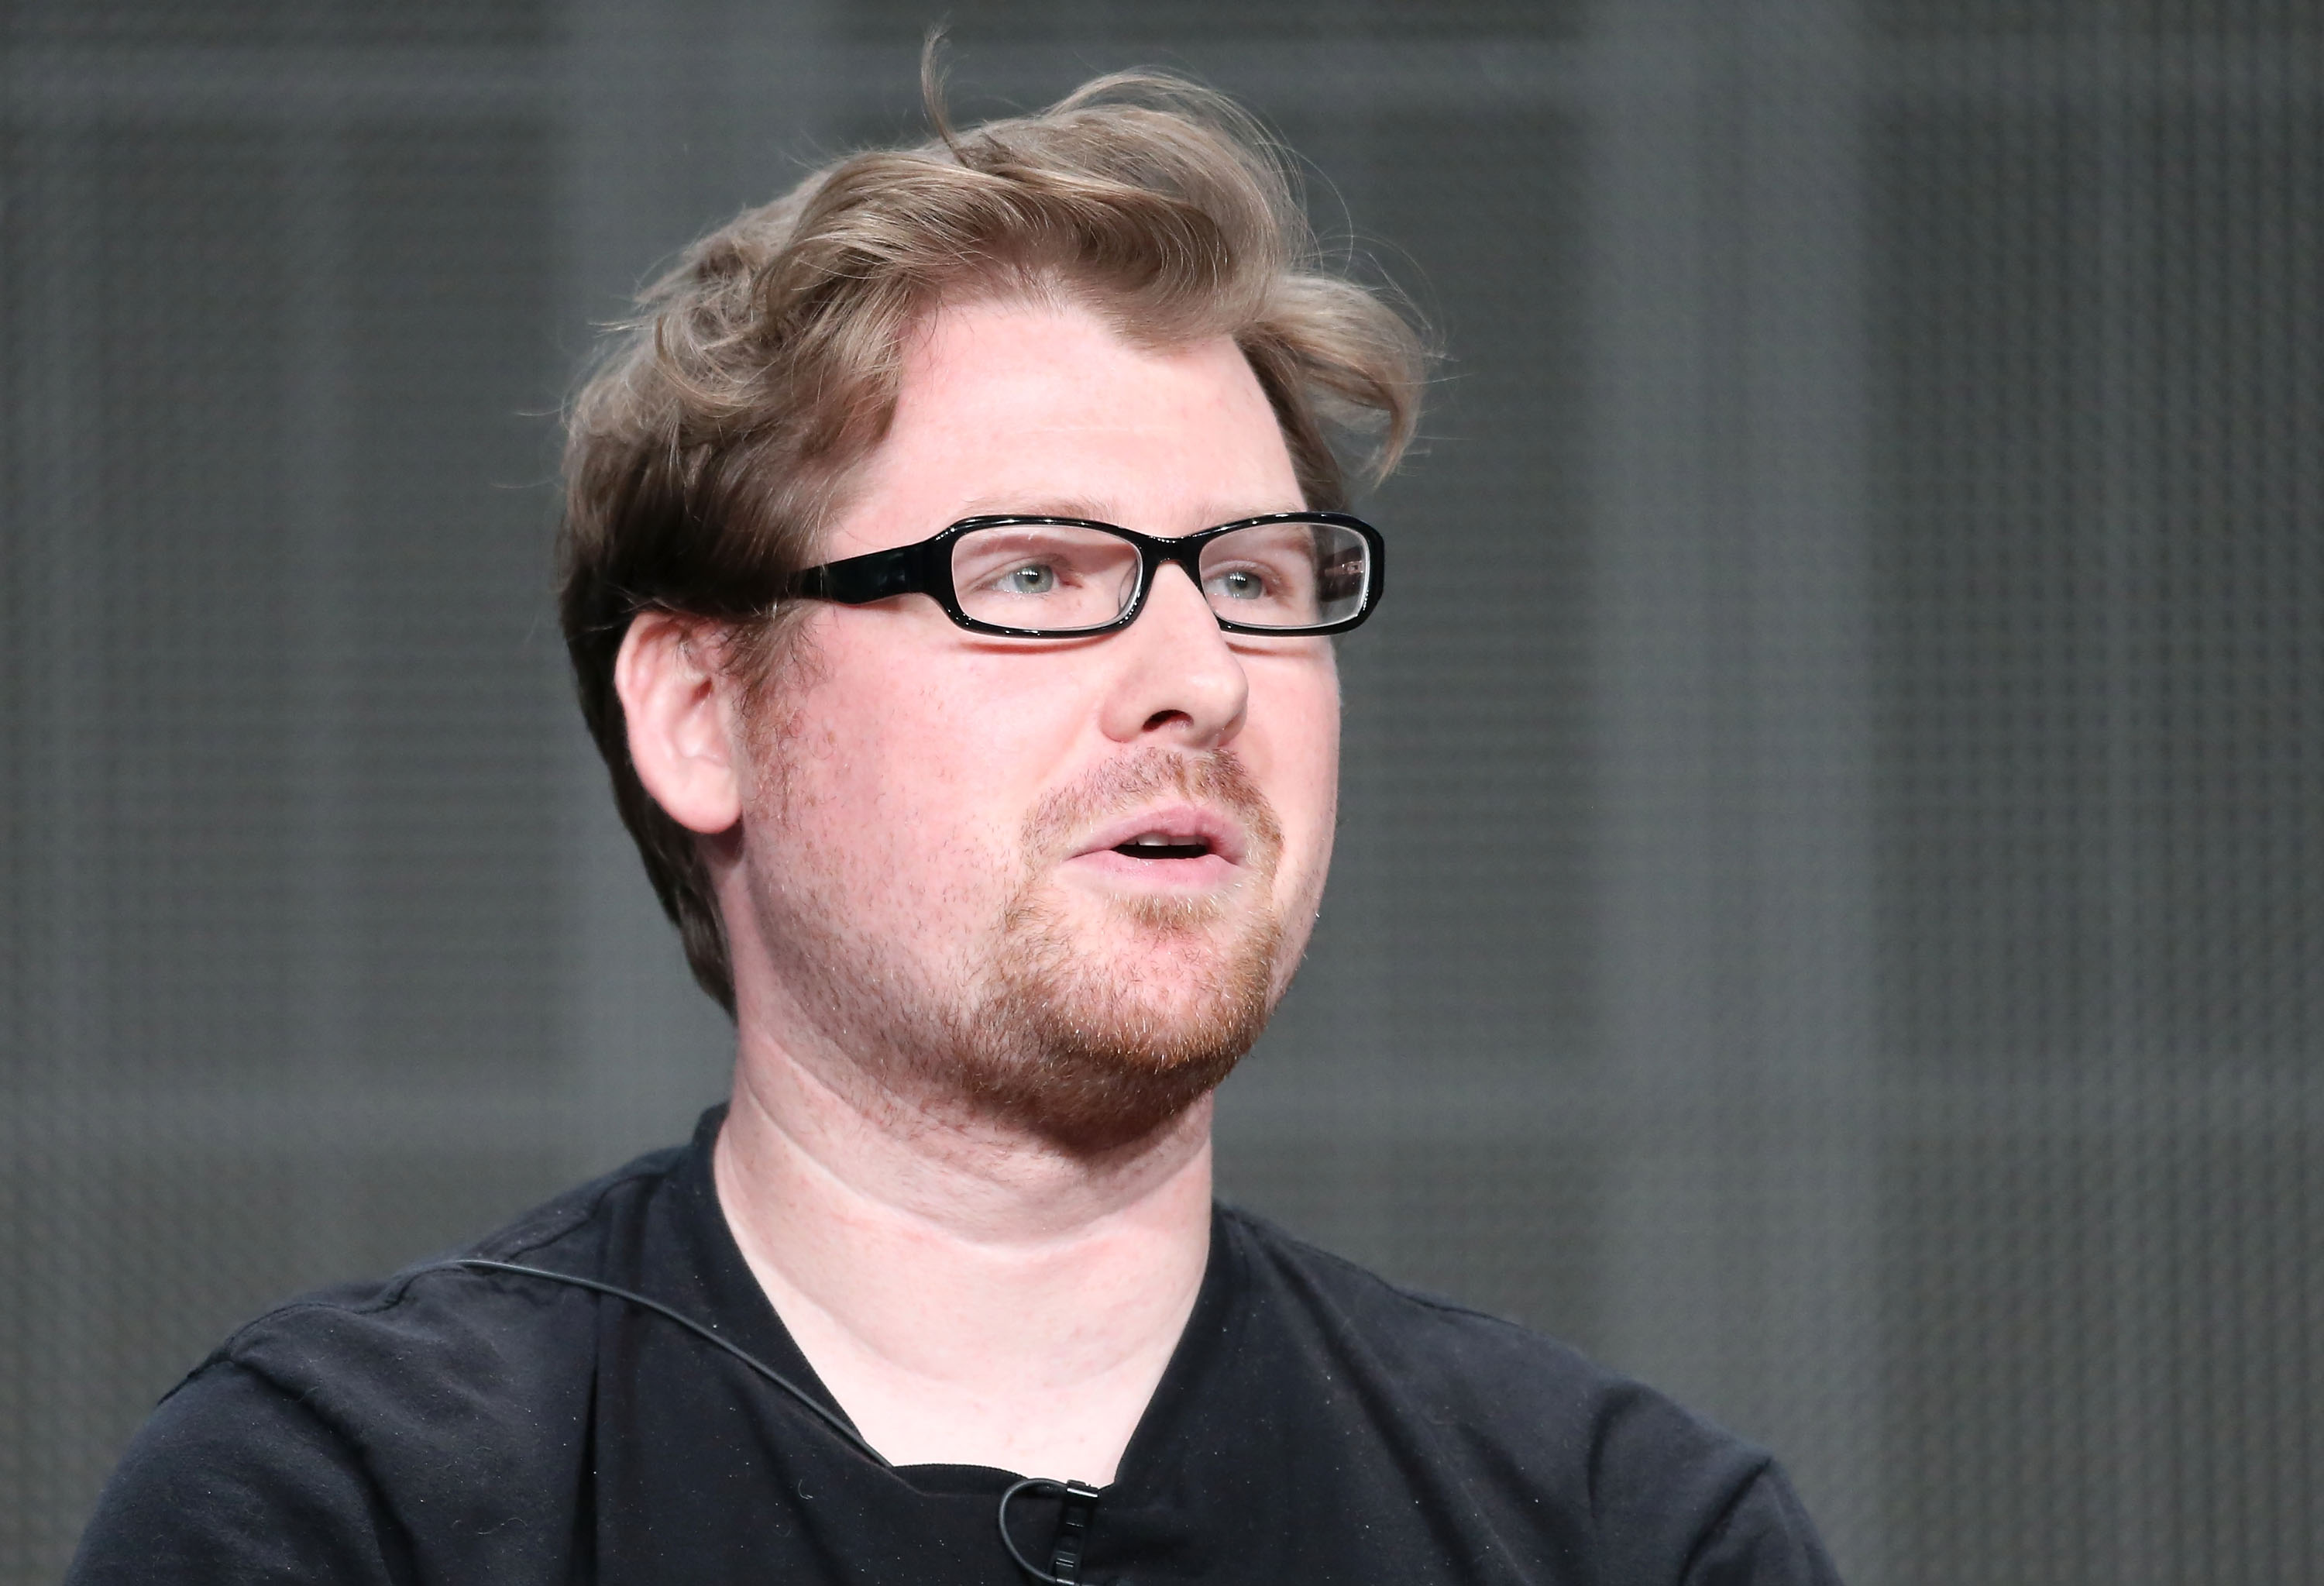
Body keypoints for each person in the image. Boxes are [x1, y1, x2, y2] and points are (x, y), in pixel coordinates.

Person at [67, 68, 1840, 1585]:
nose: (1200, 677)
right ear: (701, 711)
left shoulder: (1627, 1534)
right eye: (1036, 573)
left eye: (1255, 577)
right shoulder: (346, 1510)